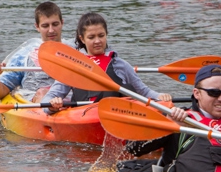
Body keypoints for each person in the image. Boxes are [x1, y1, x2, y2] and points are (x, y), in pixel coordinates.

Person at [125, 64, 221, 172]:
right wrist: (168, 126)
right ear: (197, 93)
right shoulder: (180, 119)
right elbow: (133, 149)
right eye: (214, 93)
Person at [43, 12, 171, 113]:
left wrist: (161, 97)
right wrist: (53, 105)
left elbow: (144, 92)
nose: (97, 41)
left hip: (116, 112)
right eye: (91, 37)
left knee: (122, 88)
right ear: (82, 39)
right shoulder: (72, 66)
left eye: (101, 35)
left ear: (106, 35)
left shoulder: (119, 64)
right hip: (85, 113)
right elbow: (48, 100)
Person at [0, 1, 65, 102]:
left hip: (70, 104)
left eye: (55, 24)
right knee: (42, 93)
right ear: (37, 27)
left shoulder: (76, 50)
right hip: (36, 102)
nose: (51, 30)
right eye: (45, 26)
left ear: (62, 23)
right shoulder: (24, 55)